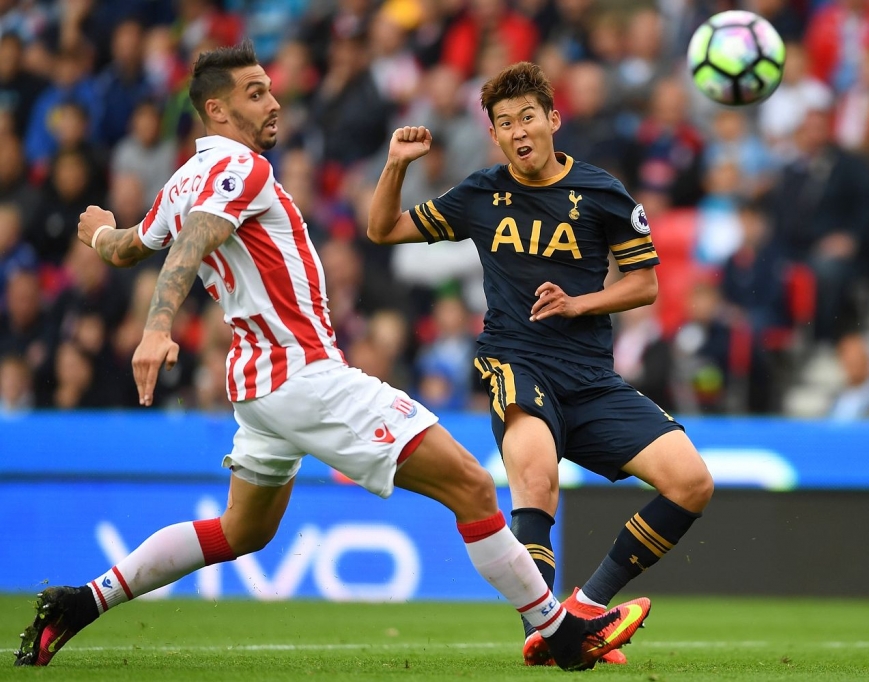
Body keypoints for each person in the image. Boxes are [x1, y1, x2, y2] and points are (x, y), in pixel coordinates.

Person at [13, 42, 649, 671]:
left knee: (242, 531)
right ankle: (560, 634)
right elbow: (194, 242)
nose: (273, 102)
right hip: (303, 373)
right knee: (473, 486)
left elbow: (132, 245)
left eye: (270, 87)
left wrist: (98, 232)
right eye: (255, 93)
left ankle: (80, 602)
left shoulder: (183, 179)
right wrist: (156, 327)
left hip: (258, 385)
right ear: (217, 109)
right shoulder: (242, 172)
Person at [367, 61, 713, 667]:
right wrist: (395, 165)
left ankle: (581, 610)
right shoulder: (480, 194)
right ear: (495, 136)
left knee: (691, 483)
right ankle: (551, 630)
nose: (518, 131)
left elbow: (644, 286)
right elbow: (383, 229)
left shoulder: (602, 192)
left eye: (528, 117)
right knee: (537, 481)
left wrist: (580, 302)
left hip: (590, 376)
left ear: (553, 119)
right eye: (504, 123)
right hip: (516, 359)